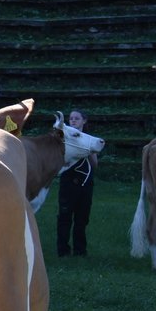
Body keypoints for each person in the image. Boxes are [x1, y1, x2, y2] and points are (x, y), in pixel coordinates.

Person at [56, 109, 97, 257]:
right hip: (68, 181)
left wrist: (89, 150)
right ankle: (63, 250)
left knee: (82, 217)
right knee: (65, 216)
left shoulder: (89, 139)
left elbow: (95, 164)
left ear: (84, 121)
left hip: (86, 181)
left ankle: (80, 250)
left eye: (76, 118)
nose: (73, 121)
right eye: (71, 118)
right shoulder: (64, 138)